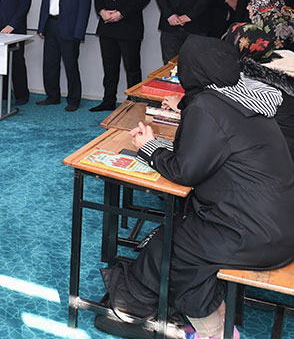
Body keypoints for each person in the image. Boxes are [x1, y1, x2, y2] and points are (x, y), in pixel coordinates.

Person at [97, 35, 294, 339]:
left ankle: (211, 331)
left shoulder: (207, 104)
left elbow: (185, 171)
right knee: (174, 234)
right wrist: (158, 144)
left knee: (168, 246)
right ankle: (162, 311)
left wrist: (149, 147)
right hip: (278, 226)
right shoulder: (244, 96)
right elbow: (211, 153)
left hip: (251, 233)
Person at [224, 0, 294, 159]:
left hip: (277, 150)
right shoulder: (284, 18)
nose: (247, 7)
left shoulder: (266, 29)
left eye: (251, 4)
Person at [37, 0, 92, 112]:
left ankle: (74, 100)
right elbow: (46, 1)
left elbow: (84, 5)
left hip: (70, 27)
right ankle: (52, 96)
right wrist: (41, 25)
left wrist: (79, 31)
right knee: (50, 64)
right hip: (51, 24)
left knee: (71, 65)